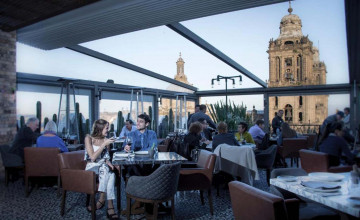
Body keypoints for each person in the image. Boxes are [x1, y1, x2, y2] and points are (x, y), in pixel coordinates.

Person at [84, 119, 118, 219]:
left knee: (110, 173)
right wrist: (104, 144)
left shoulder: (105, 140)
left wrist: (110, 163)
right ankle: (107, 203)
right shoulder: (89, 138)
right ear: (100, 128)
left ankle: (104, 201)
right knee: (107, 171)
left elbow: (105, 158)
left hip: (103, 167)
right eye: (106, 128)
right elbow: (93, 157)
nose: (108, 130)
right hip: (91, 167)